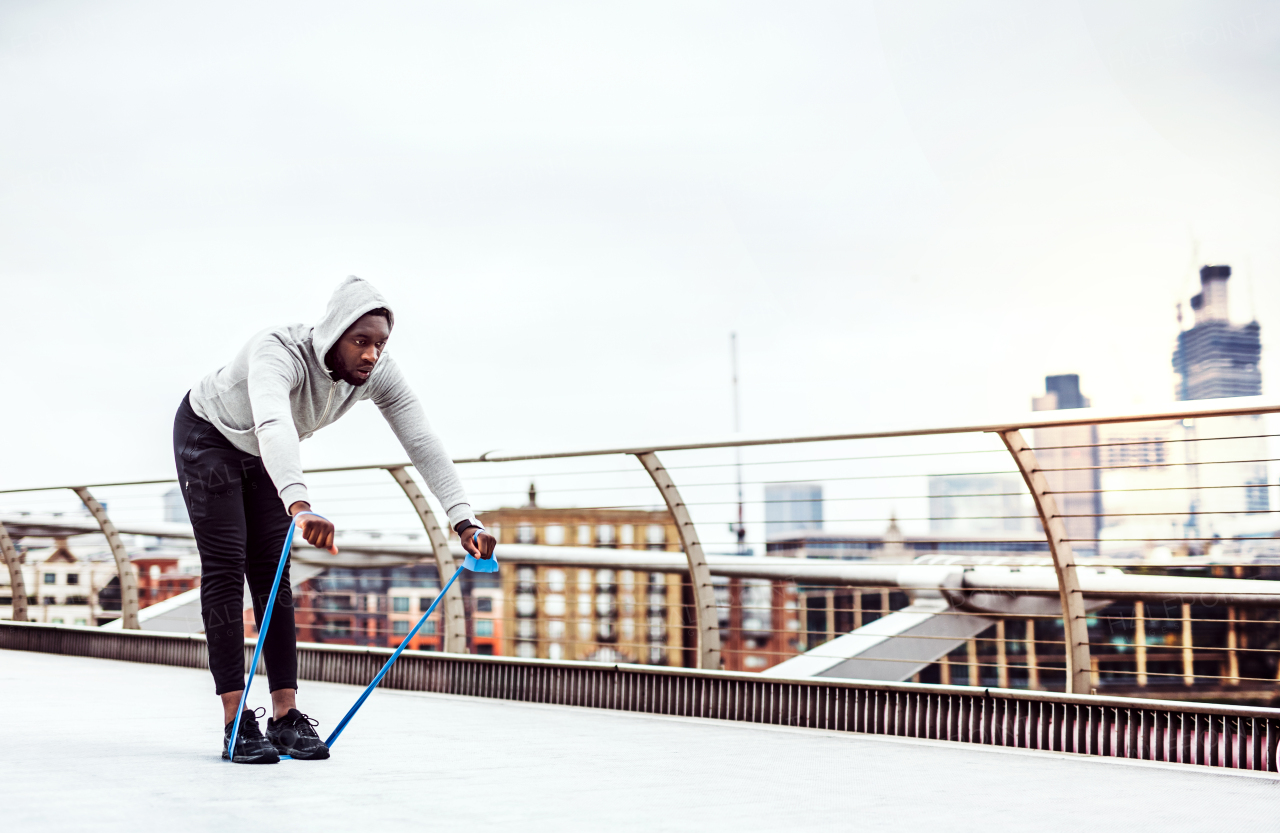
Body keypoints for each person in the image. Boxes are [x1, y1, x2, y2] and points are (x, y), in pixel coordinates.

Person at [173, 276, 496, 763]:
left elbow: (422, 440)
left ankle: (285, 717)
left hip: (265, 453)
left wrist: (463, 520)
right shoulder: (276, 351)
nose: (371, 354)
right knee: (227, 564)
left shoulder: (379, 373)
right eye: (361, 341)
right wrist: (299, 505)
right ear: (334, 335)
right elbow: (274, 423)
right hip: (211, 435)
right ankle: (236, 720)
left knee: (272, 574)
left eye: (380, 344)